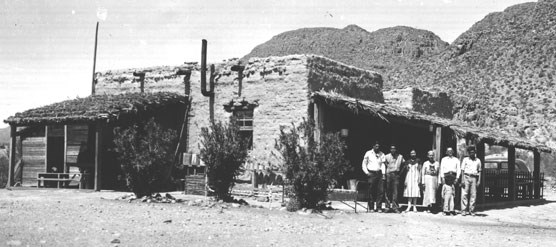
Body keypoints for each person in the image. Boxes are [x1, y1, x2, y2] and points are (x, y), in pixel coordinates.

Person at [362, 142, 385, 213]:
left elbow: (383, 165)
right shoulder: (368, 153)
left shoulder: (382, 154)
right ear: (373, 146)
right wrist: (366, 172)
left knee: (380, 191)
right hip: (371, 173)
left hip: (379, 173)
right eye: (376, 146)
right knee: (371, 190)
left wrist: (383, 174)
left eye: (378, 146)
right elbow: (364, 163)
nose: (377, 147)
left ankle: (379, 207)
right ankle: (371, 207)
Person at [460, 146, 482, 216]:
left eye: (473, 152)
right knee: (464, 194)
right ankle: (463, 210)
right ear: (469, 153)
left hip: (474, 178)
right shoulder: (465, 159)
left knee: (473, 194)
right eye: (470, 152)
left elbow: (480, 171)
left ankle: (471, 210)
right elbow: (462, 170)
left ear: (475, 153)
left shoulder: (478, 160)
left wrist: (479, 180)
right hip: (466, 177)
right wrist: (462, 179)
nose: (472, 154)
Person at [383, 145, 405, 213]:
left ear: (396, 149)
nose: (393, 150)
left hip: (396, 175)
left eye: (394, 149)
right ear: (390, 149)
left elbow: (404, 165)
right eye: (392, 149)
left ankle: (395, 207)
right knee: (388, 191)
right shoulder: (386, 156)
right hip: (389, 174)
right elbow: (384, 164)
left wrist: (400, 173)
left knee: (395, 192)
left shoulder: (400, 156)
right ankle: (387, 207)